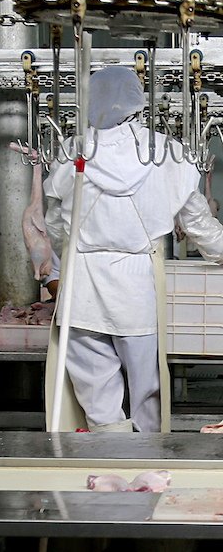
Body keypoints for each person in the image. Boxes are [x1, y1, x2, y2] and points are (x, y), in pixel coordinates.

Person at [43, 66, 223, 433]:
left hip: (83, 290)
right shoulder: (166, 154)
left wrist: (60, 269)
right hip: (136, 290)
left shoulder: (71, 152)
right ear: (138, 105)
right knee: (147, 395)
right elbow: (199, 226)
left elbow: (55, 226)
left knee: (97, 399)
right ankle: (149, 474)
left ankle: (108, 478)